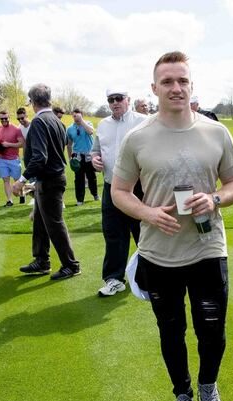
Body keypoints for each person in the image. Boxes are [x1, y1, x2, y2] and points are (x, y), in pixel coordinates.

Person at [112, 51, 233, 401]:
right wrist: (148, 213)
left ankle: (208, 389)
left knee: (212, 329)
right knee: (170, 330)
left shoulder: (215, 132)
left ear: (191, 85)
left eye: (182, 80)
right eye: (167, 81)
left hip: (207, 249)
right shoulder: (138, 139)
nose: (176, 87)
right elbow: (120, 192)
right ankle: (182, 395)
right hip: (159, 253)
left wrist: (215, 199)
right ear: (154, 88)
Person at [12, 83, 81, 280]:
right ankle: (42, 260)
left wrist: (22, 180)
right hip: (49, 179)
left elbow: (40, 157)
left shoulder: (39, 122)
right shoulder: (57, 121)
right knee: (40, 222)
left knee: (54, 224)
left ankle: (71, 265)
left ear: (33, 102)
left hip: (50, 181)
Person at [91, 89, 146, 297]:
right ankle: (114, 279)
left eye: (119, 99)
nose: (115, 103)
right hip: (110, 186)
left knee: (143, 232)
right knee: (113, 232)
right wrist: (94, 158)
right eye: (111, 100)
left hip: (139, 187)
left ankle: (150, 276)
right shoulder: (103, 125)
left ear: (128, 100)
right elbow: (96, 150)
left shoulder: (143, 121)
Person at [66, 108, 99, 205]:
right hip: (77, 156)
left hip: (89, 155)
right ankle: (80, 200)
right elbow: (69, 144)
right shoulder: (70, 128)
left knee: (91, 176)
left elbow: (90, 132)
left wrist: (81, 121)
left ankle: (95, 194)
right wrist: (70, 157)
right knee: (78, 179)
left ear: (82, 115)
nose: (75, 117)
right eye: (74, 115)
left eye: (77, 115)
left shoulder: (88, 123)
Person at [0, 110, 25, 206]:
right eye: (1, 119)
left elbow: (22, 143)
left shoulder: (16, 129)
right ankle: (9, 200)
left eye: (5, 118)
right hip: (1, 159)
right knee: (6, 180)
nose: (4, 120)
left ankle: (22, 195)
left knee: (16, 180)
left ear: (9, 118)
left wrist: (8, 145)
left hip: (14, 159)